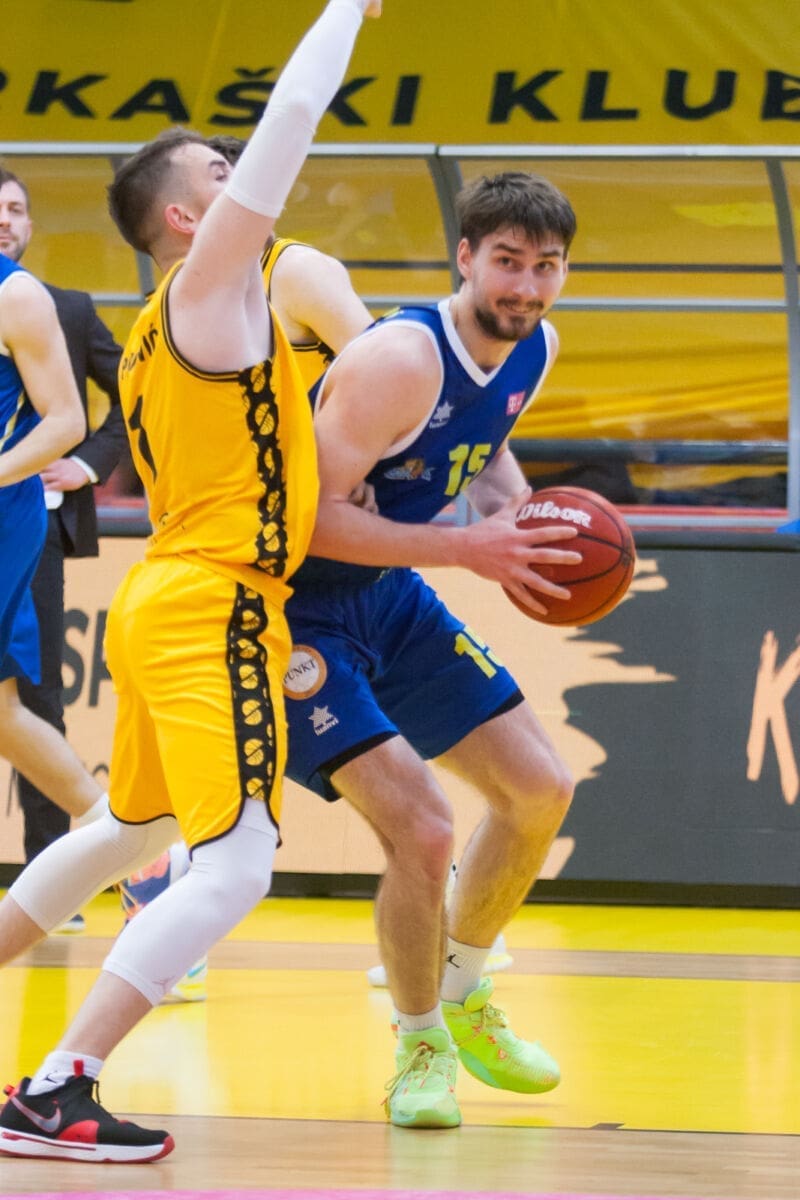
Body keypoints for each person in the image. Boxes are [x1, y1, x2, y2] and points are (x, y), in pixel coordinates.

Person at [0, 0, 381, 1165]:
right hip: (214, 597)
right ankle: (57, 1087)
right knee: (239, 861)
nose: (243, 182)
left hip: (167, 589)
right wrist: (344, 9)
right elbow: (294, 116)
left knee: (132, 826)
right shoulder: (211, 288)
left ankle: (53, 1080)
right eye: (220, 175)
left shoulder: (167, 326)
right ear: (184, 216)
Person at [282, 171, 580, 1128]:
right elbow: (303, 521)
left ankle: (462, 993)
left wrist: (527, 530)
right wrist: (466, 548)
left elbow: (484, 454)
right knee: (423, 830)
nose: (524, 287)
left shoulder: (536, 347)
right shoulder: (400, 359)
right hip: (290, 611)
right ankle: (419, 1046)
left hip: (388, 593)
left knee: (539, 790)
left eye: (545, 266)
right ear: (464, 257)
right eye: (507, 262)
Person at [0, 168, 126, 912]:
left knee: (21, 705)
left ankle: (123, 853)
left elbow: (68, 420)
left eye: (14, 207)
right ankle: (135, 854)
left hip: (9, 511)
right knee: (6, 715)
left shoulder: (20, 296)